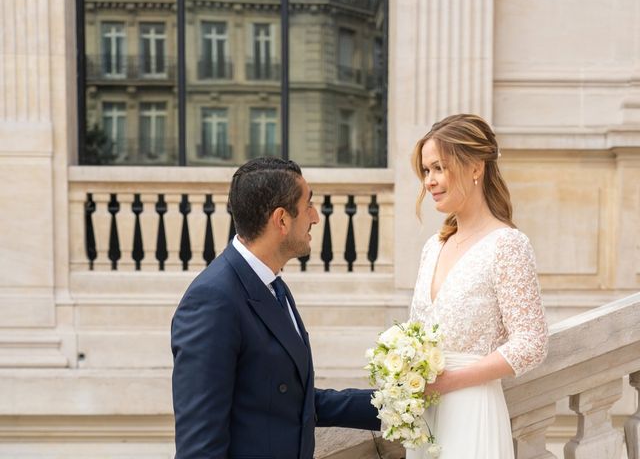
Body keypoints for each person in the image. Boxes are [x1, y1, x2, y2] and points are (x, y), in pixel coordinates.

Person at [171, 157, 380, 459]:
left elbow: (293, 402)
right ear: (281, 219)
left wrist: (392, 404)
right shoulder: (213, 300)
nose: (316, 217)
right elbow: (199, 446)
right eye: (309, 205)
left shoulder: (272, 284)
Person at [407, 114, 548, 459]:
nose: (429, 182)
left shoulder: (507, 245)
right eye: (426, 171)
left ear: (475, 168)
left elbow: (532, 343)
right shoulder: (433, 247)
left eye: (439, 168)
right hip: (426, 418)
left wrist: (449, 382)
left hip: (473, 411)